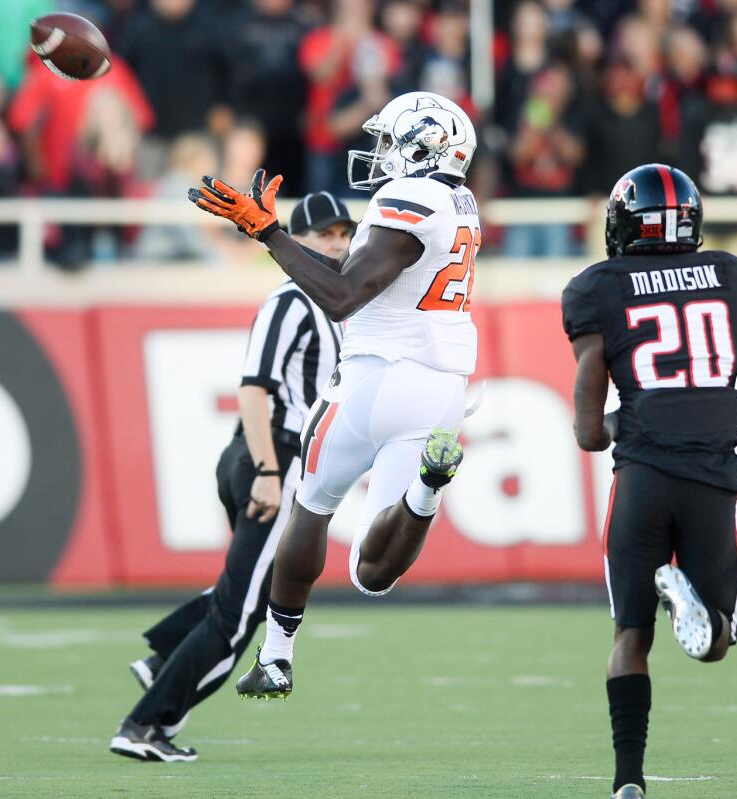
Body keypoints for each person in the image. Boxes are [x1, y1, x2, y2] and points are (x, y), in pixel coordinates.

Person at [189, 91, 479, 699]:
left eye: (389, 139)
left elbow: (344, 295)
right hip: (445, 391)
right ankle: (427, 487)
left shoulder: (410, 197)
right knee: (372, 574)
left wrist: (268, 232)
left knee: (312, 506)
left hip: (377, 377)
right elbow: (373, 273)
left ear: (422, 144)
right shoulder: (459, 200)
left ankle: (276, 656)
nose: (379, 152)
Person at [561, 164, 737, 799]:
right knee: (718, 640)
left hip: (642, 478)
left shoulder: (599, 289)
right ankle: (692, 607)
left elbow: (588, 433)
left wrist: (627, 417)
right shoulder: (728, 278)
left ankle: (628, 780)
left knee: (628, 637)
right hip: (712, 479)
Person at [108, 192, 353, 762]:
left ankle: (163, 660)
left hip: (270, 457)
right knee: (242, 615)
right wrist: (270, 469)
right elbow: (253, 388)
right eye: (325, 234)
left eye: (344, 232)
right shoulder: (293, 300)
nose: (339, 243)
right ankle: (148, 725)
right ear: (298, 240)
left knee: (253, 587)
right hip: (273, 455)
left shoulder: (333, 304)